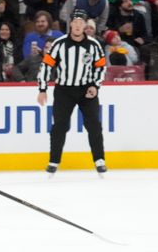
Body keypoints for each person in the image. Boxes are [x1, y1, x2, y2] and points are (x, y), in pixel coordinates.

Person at [37, 9, 108, 175]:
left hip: (86, 90)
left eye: (81, 22)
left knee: (94, 125)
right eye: (75, 22)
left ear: (85, 25)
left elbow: (100, 67)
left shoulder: (94, 45)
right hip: (64, 91)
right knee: (59, 126)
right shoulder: (59, 44)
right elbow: (47, 66)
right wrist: (42, 89)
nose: (77, 25)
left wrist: (95, 86)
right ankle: (54, 161)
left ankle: (99, 160)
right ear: (70, 24)